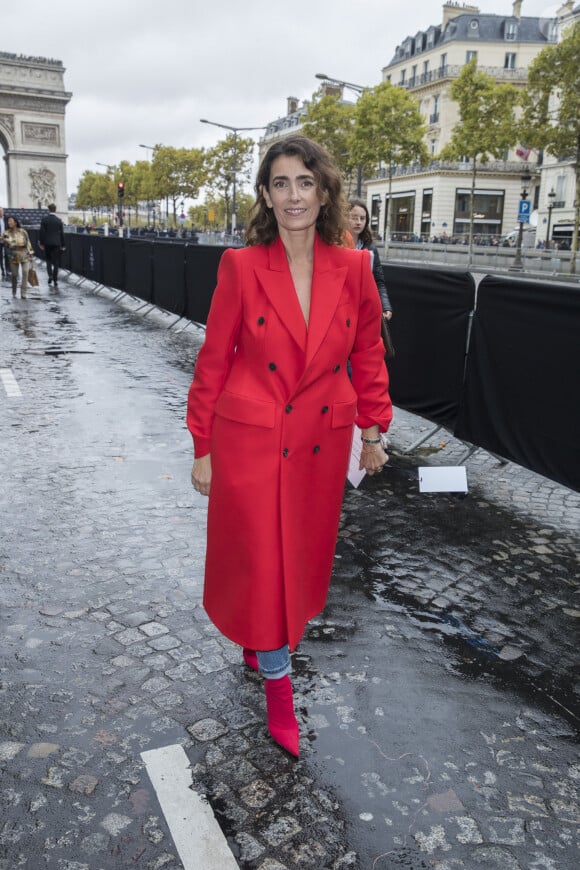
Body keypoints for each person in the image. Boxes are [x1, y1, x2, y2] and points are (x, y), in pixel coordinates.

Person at [187, 135, 392, 758]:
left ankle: (260, 640)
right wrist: (202, 445)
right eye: (281, 183)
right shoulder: (241, 267)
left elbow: (368, 354)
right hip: (249, 441)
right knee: (265, 560)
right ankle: (280, 697)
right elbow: (214, 360)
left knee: (292, 560)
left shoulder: (354, 267)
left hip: (318, 443)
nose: (294, 195)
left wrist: (373, 430)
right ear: (267, 196)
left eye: (305, 182)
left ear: (325, 191)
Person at [347, 198, 393, 321]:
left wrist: (385, 306)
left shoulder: (371, 248)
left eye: (362, 218)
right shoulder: (335, 245)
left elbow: (378, 281)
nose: (358, 222)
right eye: (354, 217)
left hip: (364, 308)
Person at [2, 216, 34, 298]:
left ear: (15, 222)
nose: (9, 223)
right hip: (13, 254)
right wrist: (5, 241)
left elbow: (28, 242)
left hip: (24, 253)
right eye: (8, 221)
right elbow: (2, 240)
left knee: (25, 271)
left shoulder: (23, 231)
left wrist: (31, 252)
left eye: (11, 221)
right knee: (14, 275)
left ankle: (23, 292)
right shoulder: (6, 233)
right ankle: (14, 290)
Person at [39, 203, 65, 288]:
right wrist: (63, 244)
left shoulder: (44, 220)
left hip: (47, 243)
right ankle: (55, 278)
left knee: (48, 260)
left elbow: (42, 233)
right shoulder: (59, 220)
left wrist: (41, 243)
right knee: (56, 262)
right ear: (55, 210)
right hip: (57, 243)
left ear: (48, 210)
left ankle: (50, 275)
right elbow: (62, 233)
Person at [0, 208, 7, 279]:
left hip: (6, 240)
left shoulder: (6, 219)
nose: (0, 212)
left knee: (7, 254)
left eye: (1, 211)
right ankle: (2, 269)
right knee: (0, 256)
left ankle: (7, 269)